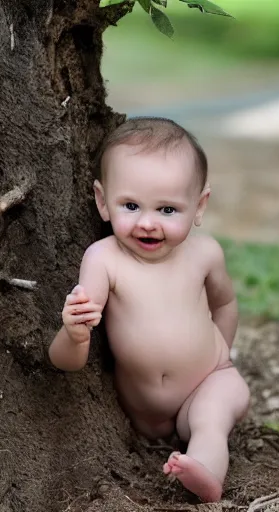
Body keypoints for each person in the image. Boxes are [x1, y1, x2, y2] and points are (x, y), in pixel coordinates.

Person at [48, 117, 250, 503]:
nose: (147, 223)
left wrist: (218, 355)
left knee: (210, 419)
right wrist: (73, 334)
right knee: (201, 417)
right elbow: (67, 363)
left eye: (168, 210)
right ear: (102, 201)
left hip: (208, 383)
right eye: (130, 205)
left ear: (199, 205)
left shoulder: (205, 254)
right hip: (140, 412)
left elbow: (224, 302)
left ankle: (205, 474)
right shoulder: (103, 260)